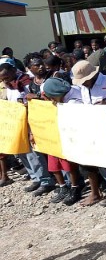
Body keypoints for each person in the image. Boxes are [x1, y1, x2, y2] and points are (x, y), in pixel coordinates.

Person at [71, 60, 106, 206]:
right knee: (102, 161)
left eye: (85, 80)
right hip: (96, 130)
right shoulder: (83, 88)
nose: (83, 83)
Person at [0, 58, 56, 196]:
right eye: (2, 79)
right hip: (15, 123)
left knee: (32, 153)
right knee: (20, 151)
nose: (5, 81)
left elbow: (32, 100)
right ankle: (35, 177)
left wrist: (25, 105)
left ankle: (45, 180)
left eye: (6, 77)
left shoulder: (25, 82)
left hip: (29, 122)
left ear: (13, 71)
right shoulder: (9, 85)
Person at [38, 77, 84, 205]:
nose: (50, 100)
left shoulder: (73, 102)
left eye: (51, 97)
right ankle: (63, 187)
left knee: (69, 165)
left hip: (68, 135)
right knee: (53, 164)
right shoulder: (58, 99)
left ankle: (75, 188)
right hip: (54, 134)